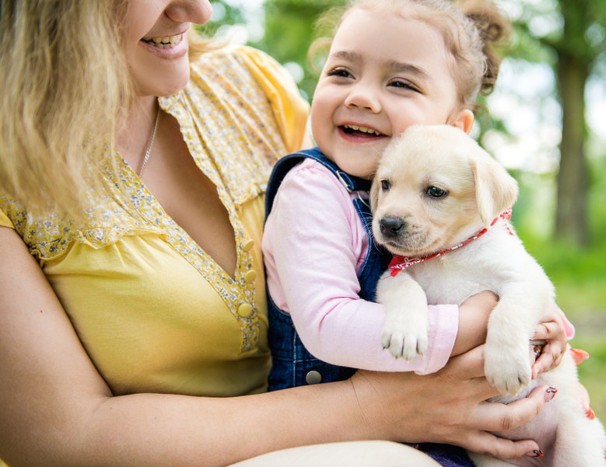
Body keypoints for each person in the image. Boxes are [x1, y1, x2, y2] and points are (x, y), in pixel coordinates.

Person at [1, 1, 562, 465]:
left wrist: (524, 311)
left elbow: (425, 196)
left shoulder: (247, 84)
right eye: (341, 72)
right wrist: (397, 394)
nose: (198, 10)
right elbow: (54, 439)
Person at [262, 0, 575, 464]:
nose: (361, 97)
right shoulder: (312, 188)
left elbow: (516, 282)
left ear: (456, 130)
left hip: (431, 425)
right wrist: (474, 324)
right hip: (335, 432)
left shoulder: (458, 201)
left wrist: (533, 319)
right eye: (342, 73)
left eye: (400, 82)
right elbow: (329, 326)